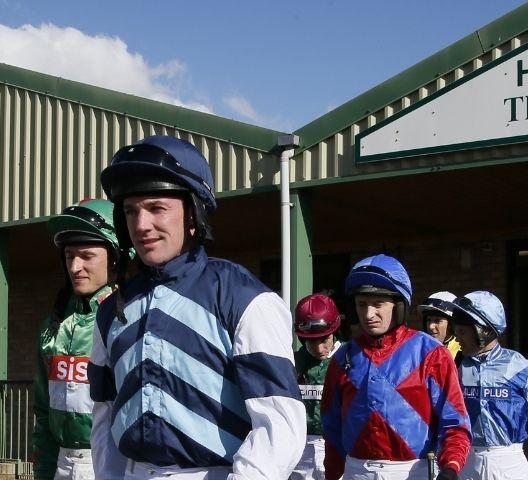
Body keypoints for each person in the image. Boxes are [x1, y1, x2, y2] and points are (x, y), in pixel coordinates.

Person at [87, 135, 304, 479]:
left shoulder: (244, 297)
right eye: (131, 211)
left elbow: (280, 424)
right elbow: (105, 417)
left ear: (194, 213)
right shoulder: (110, 311)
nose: (141, 225)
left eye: (157, 208)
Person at [320, 254, 469, 480]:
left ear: (399, 305)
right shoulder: (342, 358)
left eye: (378, 304)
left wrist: (450, 467)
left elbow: (455, 423)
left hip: (410, 472)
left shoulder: (431, 354)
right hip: (355, 472)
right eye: (362, 305)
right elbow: (331, 428)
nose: (369, 314)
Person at [33, 199, 125, 480]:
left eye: (86, 255)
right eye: (69, 256)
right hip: (62, 463)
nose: (75, 267)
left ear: (115, 257)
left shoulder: (132, 321)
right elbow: (43, 412)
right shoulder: (53, 326)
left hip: (113, 463)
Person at [449, 291, 528, 480]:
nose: (457, 338)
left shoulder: (520, 367)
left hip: (508, 464)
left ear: (484, 331)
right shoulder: (455, 366)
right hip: (466, 464)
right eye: (455, 332)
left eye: (462, 332)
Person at [292, 293, 344, 480]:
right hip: (300, 446)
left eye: (324, 339)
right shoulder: (293, 362)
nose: (320, 348)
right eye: (312, 341)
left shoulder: (350, 358)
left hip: (338, 443)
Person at [418, 291, 461, 358]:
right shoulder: (418, 349)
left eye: (437, 321)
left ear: (452, 324)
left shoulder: (462, 351)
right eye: (428, 320)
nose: (431, 326)